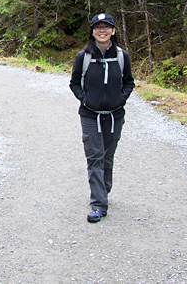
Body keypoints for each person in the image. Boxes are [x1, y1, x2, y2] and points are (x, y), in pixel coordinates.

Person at [69, 12, 135, 223]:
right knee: (95, 156)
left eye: (106, 27)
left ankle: (103, 190)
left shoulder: (122, 56)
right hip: (90, 115)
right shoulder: (84, 57)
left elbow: (129, 82)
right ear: (92, 32)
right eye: (98, 27)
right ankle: (98, 204)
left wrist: (120, 100)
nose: (102, 30)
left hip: (115, 115)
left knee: (107, 155)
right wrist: (85, 100)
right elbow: (75, 83)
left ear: (113, 31)